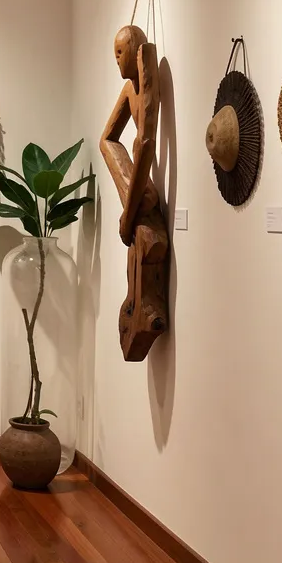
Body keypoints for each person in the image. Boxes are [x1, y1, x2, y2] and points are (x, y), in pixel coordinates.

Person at [100, 25, 169, 361]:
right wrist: (128, 192)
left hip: (143, 194)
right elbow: (108, 139)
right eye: (114, 52)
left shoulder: (146, 85)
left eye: (119, 52)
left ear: (136, 51)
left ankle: (144, 308)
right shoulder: (130, 90)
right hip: (136, 188)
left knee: (145, 239)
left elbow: (147, 144)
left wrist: (129, 212)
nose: (116, 59)